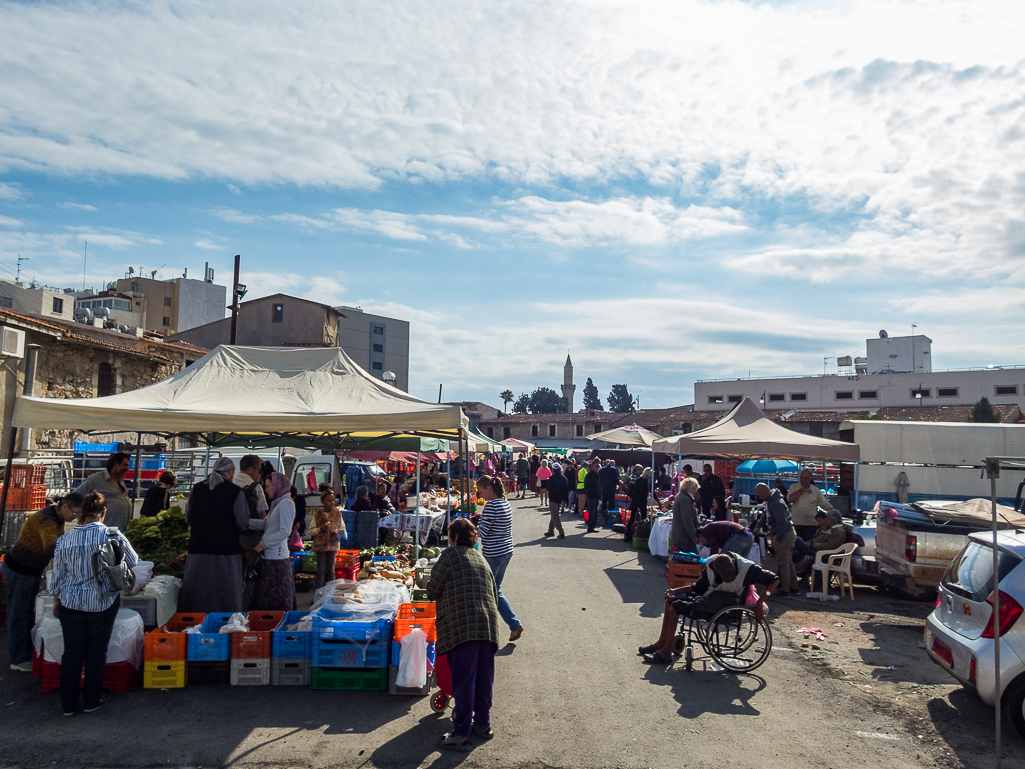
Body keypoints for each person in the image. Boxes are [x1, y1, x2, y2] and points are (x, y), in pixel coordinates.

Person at [50, 492, 139, 715]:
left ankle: (68, 705)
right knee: (96, 651)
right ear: (104, 512)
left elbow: (57, 575)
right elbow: (133, 560)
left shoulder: (65, 539)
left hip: (70, 603)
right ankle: (91, 700)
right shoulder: (112, 535)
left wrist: (55, 600)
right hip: (103, 601)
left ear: (80, 513)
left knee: (72, 652)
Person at [426, 519, 501, 752]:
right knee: (483, 679)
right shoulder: (482, 558)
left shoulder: (450, 555)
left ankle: (460, 734)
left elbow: (432, 590)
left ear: (455, 538)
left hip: (462, 626)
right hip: (488, 625)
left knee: (464, 682)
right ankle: (482, 725)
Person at [640, 552, 779, 665]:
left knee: (677, 606)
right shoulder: (712, 565)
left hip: (728, 608)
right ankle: (662, 644)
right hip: (711, 602)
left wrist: (760, 603)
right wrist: (675, 591)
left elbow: (774, 580)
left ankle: (666, 653)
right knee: (671, 601)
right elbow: (698, 587)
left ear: (734, 563)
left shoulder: (748, 568)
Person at [3, 492, 82, 672]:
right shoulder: (47, 519)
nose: (75, 517)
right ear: (64, 507)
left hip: (31, 570)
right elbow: (52, 547)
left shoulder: (57, 516)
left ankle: (26, 651)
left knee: (26, 612)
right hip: (19, 569)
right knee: (18, 614)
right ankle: (18, 658)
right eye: (75, 513)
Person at [178, 457, 251, 613]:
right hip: (227, 551)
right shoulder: (235, 492)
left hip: (198, 549)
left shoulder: (197, 489)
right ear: (230, 471)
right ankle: (225, 625)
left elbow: (188, 518)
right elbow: (243, 522)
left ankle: (196, 625)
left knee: (198, 593)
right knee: (226, 595)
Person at [475, 475, 523, 642]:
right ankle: (514, 624)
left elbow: (482, 532)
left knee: (487, 591)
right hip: (506, 551)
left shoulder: (491, 506)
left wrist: (471, 525)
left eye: (481, 492)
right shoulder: (505, 503)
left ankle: (491, 628)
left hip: (493, 553)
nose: (480, 495)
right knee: (495, 590)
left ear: (489, 489)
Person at [248, 471, 298, 611]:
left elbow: (284, 531)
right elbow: (267, 524)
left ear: (277, 486)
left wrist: (263, 544)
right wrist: (247, 523)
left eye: (268, 486)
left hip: (277, 558)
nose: (266, 490)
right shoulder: (277, 502)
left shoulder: (285, 503)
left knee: (277, 596)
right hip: (270, 556)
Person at [235, 454, 270, 610]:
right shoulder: (255, 487)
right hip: (251, 537)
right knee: (252, 573)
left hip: (233, 536)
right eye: (258, 470)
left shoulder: (230, 483)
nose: (259, 474)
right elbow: (263, 515)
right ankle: (247, 607)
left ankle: (234, 604)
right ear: (251, 469)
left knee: (235, 573)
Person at [755, 481, 799, 595]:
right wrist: (758, 525)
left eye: (761, 495)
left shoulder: (776, 504)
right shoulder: (770, 501)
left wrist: (779, 538)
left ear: (766, 492)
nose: (760, 498)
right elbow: (765, 515)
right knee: (788, 562)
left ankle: (786, 590)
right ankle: (794, 587)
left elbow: (782, 523)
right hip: (787, 534)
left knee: (783, 563)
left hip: (784, 534)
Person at [76, 451, 132, 532]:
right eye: (125, 465)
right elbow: (77, 495)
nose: (127, 469)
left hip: (120, 530)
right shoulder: (95, 479)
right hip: (105, 532)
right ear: (116, 464)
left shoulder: (120, 479)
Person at [312, 490, 342, 590]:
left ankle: (330, 592)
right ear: (322, 502)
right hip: (321, 546)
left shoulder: (338, 514)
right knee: (321, 570)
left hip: (333, 546)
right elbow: (311, 530)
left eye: (333, 500)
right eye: (329, 500)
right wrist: (320, 529)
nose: (332, 502)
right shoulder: (318, 514)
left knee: (331, 570)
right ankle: (318, 594)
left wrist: (336, 532)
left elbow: (343, 529)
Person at [787, 468, 829, 540]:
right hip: (796, 523)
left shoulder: (815, 490)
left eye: (805, 478)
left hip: (811, 524)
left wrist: (834, 512)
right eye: (801, 478)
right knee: (796, 547)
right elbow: (790, 499)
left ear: (810, 478)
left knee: (808, 546)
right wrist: (801, 491)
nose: (803, 480)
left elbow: (824, 504)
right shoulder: (794, 487)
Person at [671, 477, 701, 554]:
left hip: (680, 535)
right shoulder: (685, 499)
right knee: (690, 560)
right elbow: (687, 520)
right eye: (694, 488)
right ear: (688, 488)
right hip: (685, 536)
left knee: (682, 559)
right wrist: (693, 536)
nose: (695, 490)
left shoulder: (680, 496)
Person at [625, 465, 649, 542]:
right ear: (637, 470)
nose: (641, 471)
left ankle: (628, 535)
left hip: (635, 500)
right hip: (639, 500)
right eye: (640, 470)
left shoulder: (636, 477)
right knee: (641, 518)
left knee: (632, 517)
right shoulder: (636, 478)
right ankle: (642, 535)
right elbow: (631, 490)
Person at [544, 466, 568, 539]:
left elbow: (548, 488)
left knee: (555, 516)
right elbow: (566, 490)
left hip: (553, 498)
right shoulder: (564, 478)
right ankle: (550, 530)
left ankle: (561, 532)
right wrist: (565, 500)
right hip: (560, 499)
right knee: (554, 514)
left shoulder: (551, 478)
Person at [583, 459, 602, 532]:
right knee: (592, 512)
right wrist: (592, 491)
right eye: (596, 466)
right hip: (591, 496)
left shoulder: (597, 475)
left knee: (595, 512)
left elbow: (599, 485)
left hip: (597, 496)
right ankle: (590, 527)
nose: (597, 468)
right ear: (592, 467)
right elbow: (586, 486)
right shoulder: (589, 475)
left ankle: (593, 526)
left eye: (598, 466)